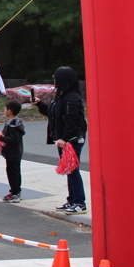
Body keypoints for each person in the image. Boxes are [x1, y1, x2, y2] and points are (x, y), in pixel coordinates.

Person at [35, 66, 88, 214]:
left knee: (73, 169)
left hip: (72, 140)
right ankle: (72, 200)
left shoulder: (72, 98)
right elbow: (52, 113)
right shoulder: (61, 96)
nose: (54, 81)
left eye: (56, 78)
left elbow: (72, 121)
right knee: (69, 170)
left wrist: (64, 138)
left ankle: (80, 202)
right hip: (62, 140)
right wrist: (39, 104)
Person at [0, 100, 25, 203]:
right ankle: (13, 191)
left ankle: (16, 192)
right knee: (11, 172)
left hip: (14, 153)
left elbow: (14, 139)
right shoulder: (10, 123)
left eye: (5, 109)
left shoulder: (14, 125)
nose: (4, 111)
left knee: (14, 173)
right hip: (10, 153)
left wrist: (1, 138)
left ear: (9, 111)